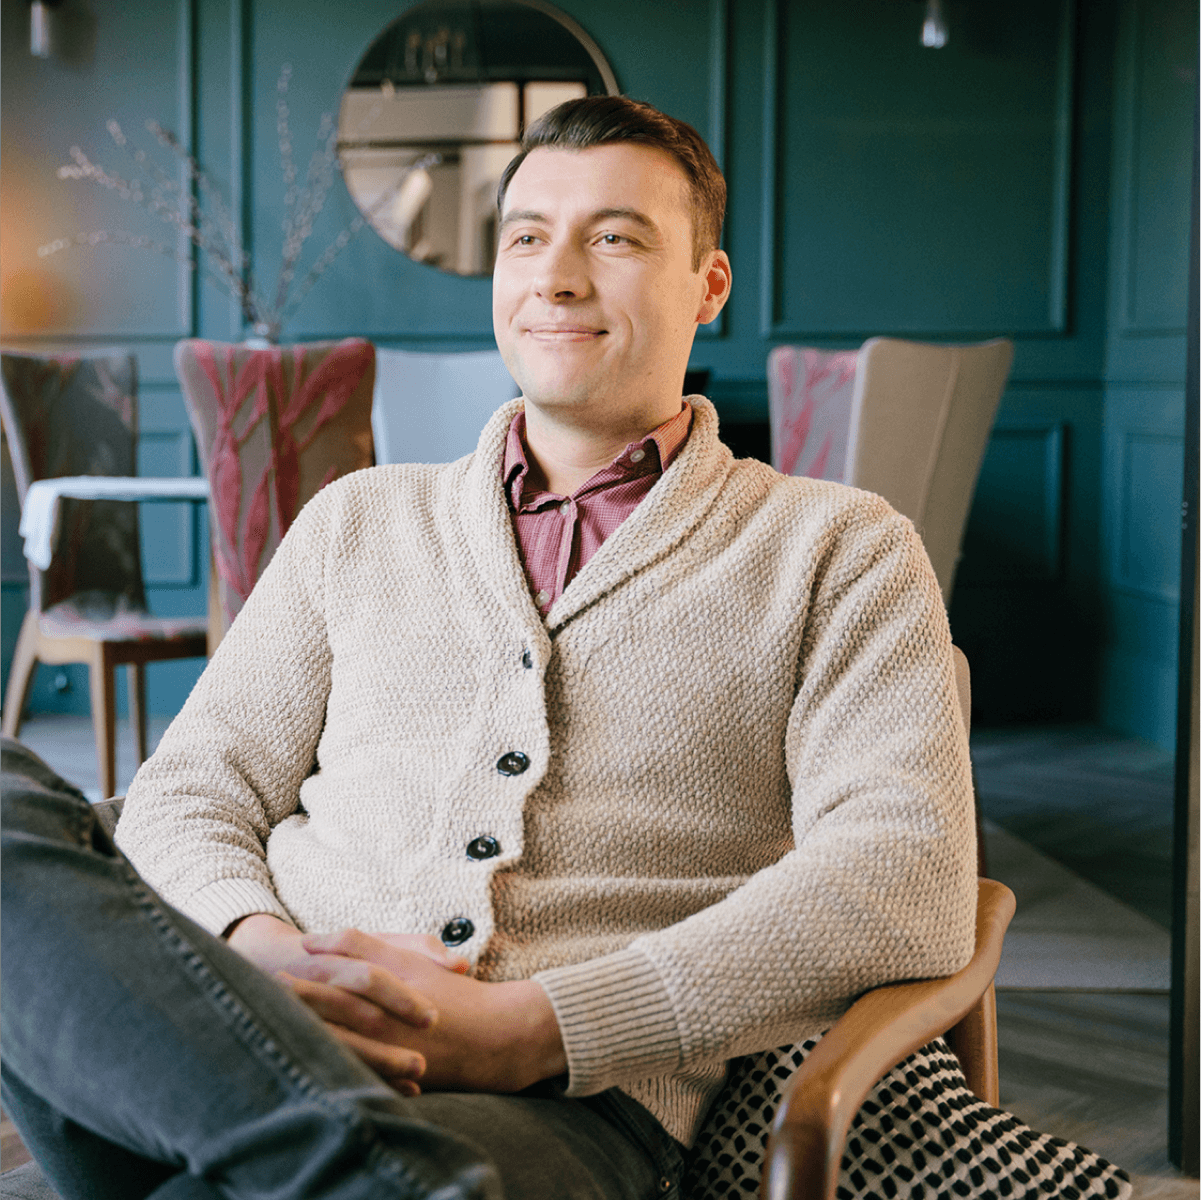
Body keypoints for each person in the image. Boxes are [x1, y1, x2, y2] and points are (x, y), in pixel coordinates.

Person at [0, 96, 977, 1199]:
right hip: (221, 1039)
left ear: (709, 283)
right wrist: (265, 956)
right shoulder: (356, 520)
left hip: (559, 1111)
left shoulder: (836, 548)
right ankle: (323, 1161)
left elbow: (905, 876)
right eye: (525, 237)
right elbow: (191, 788)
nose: (556, 276)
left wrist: (525, 1029)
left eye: (613, 238)